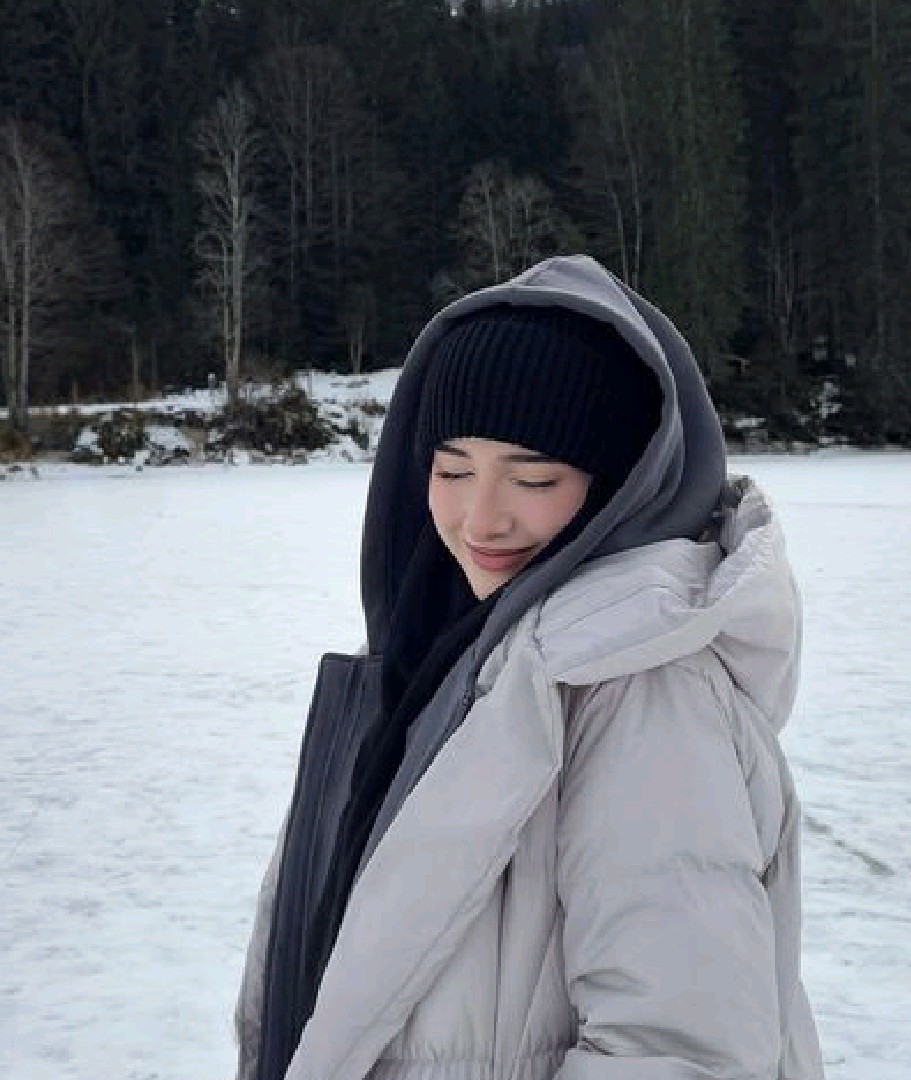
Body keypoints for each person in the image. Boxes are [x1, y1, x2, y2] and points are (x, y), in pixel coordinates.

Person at [234, 255, 824, 1080]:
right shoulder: (439, 659)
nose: (481, 518)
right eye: (452, 470)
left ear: (618, 487)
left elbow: (680, 1049)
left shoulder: (643, 690)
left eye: (534, 477)